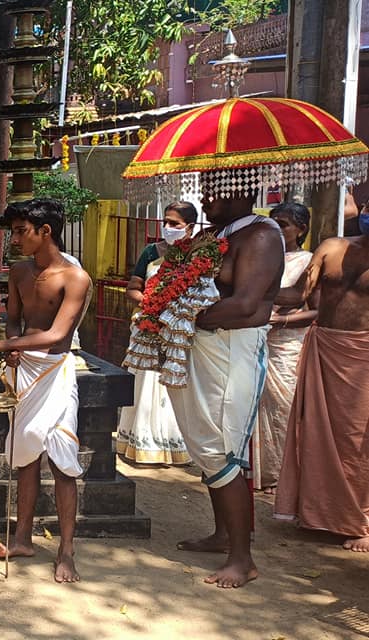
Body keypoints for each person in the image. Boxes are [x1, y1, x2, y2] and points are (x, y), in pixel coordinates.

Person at [164, 190, 283, 588]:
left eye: (218, 186)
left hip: (233, 349)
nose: (206, 195)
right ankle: (221, 536)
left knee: (224, 446)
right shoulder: (213, 234)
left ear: (245, 187)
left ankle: (242, 558)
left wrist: (176, 312)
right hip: (201, 344)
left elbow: (247, 304)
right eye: (206, 184)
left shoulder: (261, 235)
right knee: (204, 443)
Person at [0, 199, 90, 584]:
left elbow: (58, 334)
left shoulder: (75, 278)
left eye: (21, 231)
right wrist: (12, 349)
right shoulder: (20, 272)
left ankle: (66, 550)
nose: (14, 238)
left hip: (55, 371)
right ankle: (22, 539)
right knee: (25, 455)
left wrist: (0, 348)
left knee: (60, 457)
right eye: (13, 231)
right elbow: (14, 321)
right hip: (25, 370)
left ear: (46, 232)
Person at [274, 215, 369, 552]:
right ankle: (318, 513)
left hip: (363, 356)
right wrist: (244, 286)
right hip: (324, 348)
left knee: (358, 439)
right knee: (312, 430)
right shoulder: (332, 247)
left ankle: (360, 520)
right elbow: (298, 294)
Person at [115, 202, 197, 466]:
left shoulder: (198, 256)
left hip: (180, 330)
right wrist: (150, 305)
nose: (169, 228)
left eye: (175, 224)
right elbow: (133, 288)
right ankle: (141, 443)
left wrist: (176, 312)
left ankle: (177, 445)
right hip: (147, 328)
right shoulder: (152, 252)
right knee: (145, 384)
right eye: (167, 222)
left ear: (190, 227)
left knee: (175, 385)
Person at [252, 202, 315, 491]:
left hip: (287, 346)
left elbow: (315, 309)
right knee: (253, 405)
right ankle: (257, 473)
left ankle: (283, 476)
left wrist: (280, 321)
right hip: (256, 340)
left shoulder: (309, 261)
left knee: (285, 409)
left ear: (301, 229)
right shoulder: (262, 255)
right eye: (274, 221)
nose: (277, 227)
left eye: (284, 223)